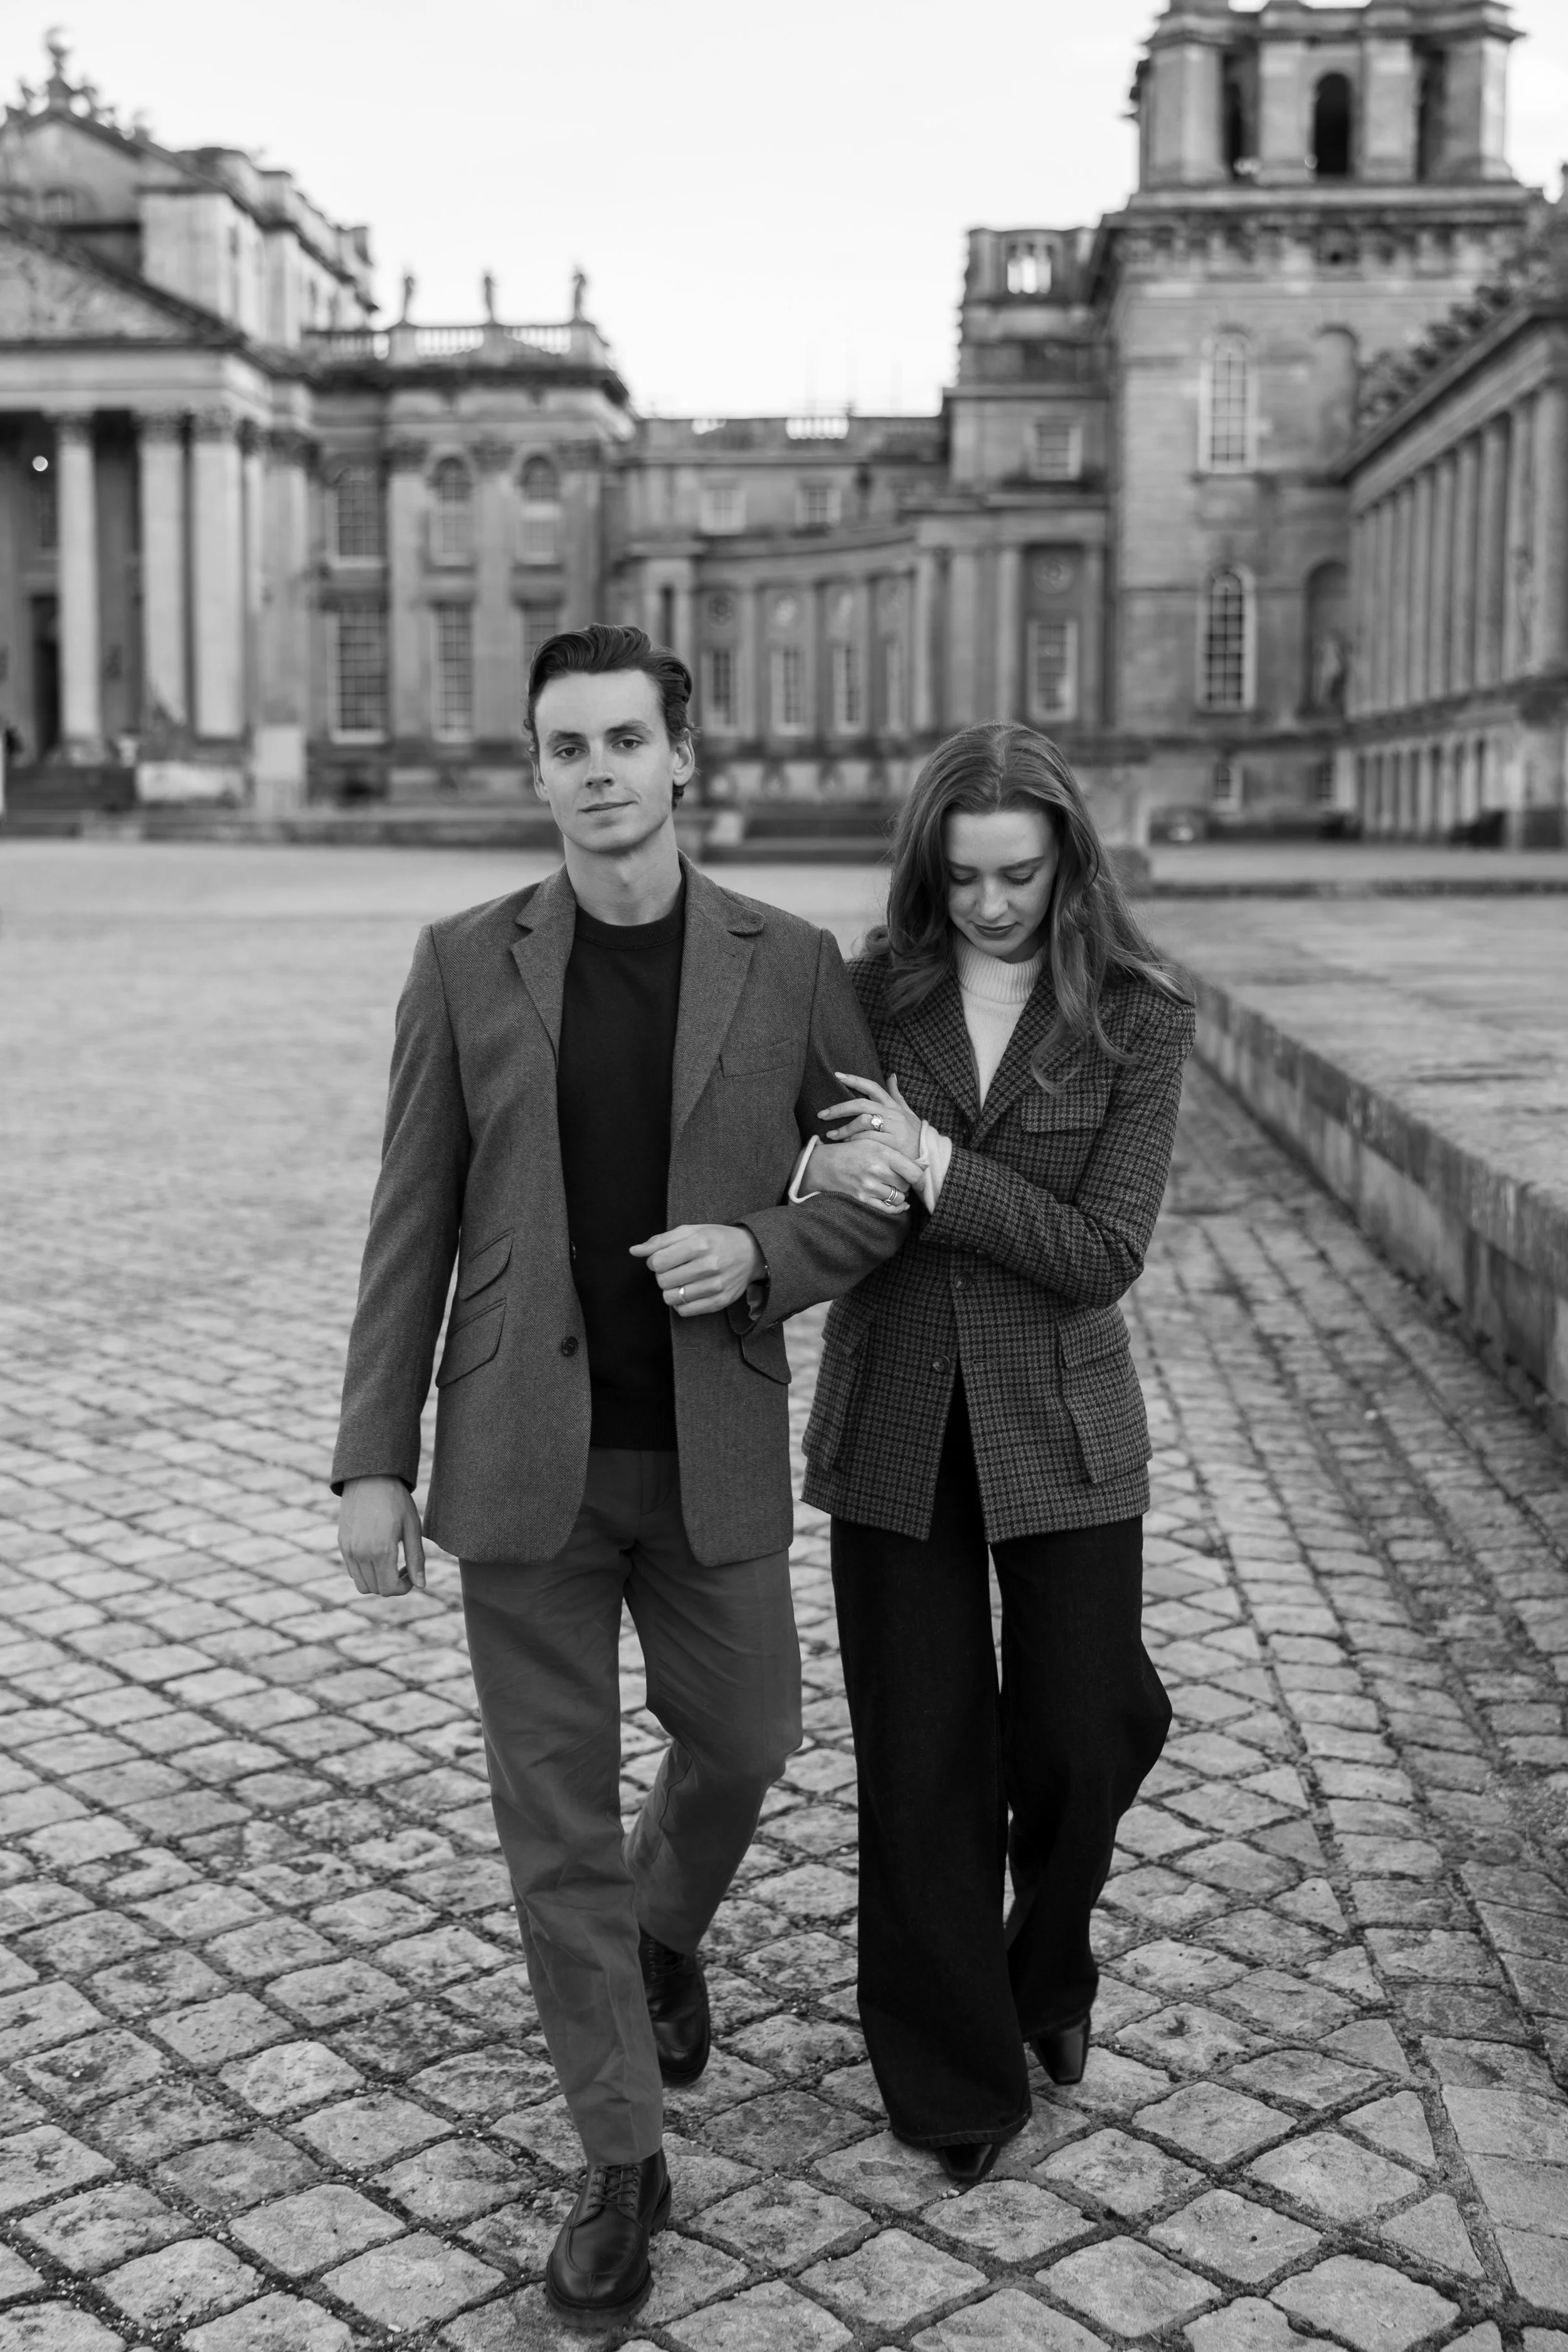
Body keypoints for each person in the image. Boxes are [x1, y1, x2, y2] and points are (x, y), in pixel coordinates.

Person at [331, 625, 904, 2326]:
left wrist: (764, 1244)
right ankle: (616, 2148)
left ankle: (662, 1928)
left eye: (624, 739)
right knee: (550, 1822)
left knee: (750, 1736)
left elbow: (873, 1191)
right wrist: (374, 1458)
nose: (595, 770)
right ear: (539, 769)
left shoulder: (792, 958)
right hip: (522, 1458)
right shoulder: (460, 958)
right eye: (563, 744)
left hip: (708, 1439)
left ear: (680, 759)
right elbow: (408, 1219)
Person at [797, 722, 1194, 2186]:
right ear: (925, 869)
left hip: (1062, 1420)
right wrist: (825, 1165)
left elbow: (1100, 1254)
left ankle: (1046, 1962)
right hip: (894, 1409)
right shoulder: (858, 996)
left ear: (1068, 864)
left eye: (1015, 876)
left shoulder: (1142, 1019)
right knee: (921, 1755)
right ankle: (950, 2073)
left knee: (1091, 1728)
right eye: (959, 878)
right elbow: (810, 1172)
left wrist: (935, 1165)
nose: (986, 906)